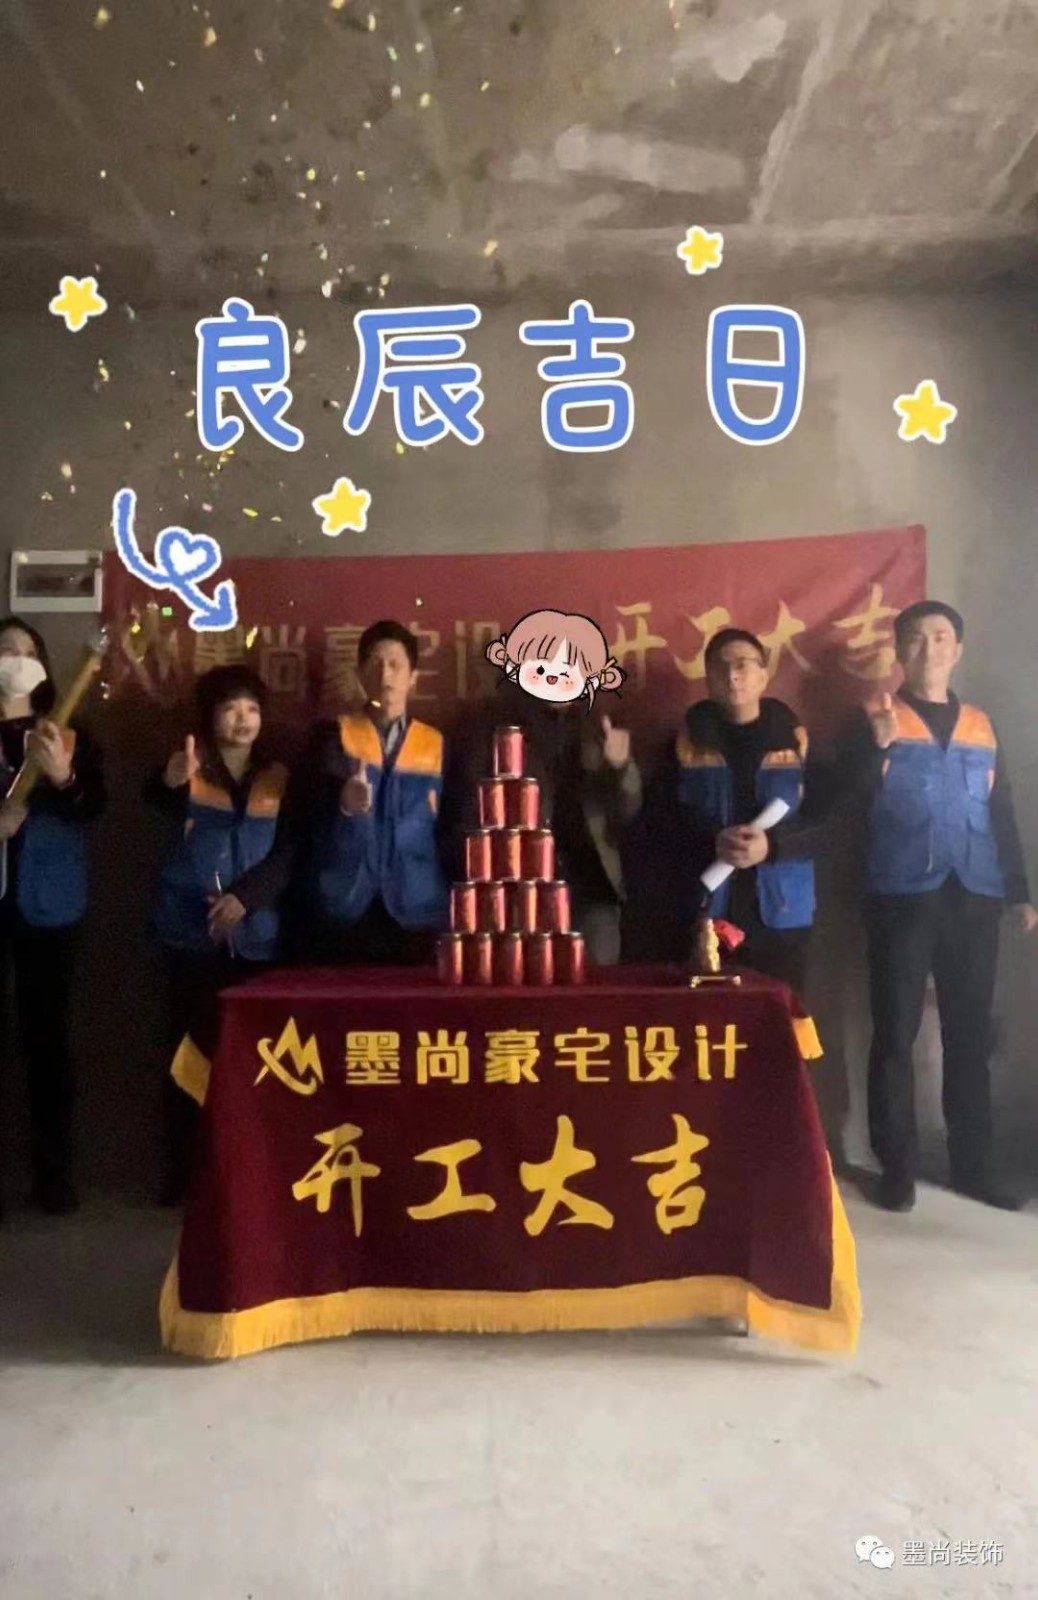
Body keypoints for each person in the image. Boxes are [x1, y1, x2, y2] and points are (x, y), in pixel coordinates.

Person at [841, 601, 1036, 1213]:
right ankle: (896, 1170)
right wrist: (874, 749)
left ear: (958, 650)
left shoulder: (980, 724)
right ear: (899, 652)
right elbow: (844, 805)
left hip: (974, 893)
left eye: (942, 637)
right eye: (917, 639)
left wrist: (1019, 890)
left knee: (970, 1034)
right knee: (895, 1034)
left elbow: (1000, 808)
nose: (930, 648)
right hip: (901, 894)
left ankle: (974, 1166)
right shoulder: (875, 718)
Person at [146, 665, 292, 1203]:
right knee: (190, 1057)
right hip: (192, 932)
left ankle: (254, 1177)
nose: (243, 719)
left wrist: (246, 899)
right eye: (231, 709)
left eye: (252, 709)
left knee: (259, 1063)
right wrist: (171, 781)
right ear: (210, 716)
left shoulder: (279, 775)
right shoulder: (188, 766)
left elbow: (287, 853)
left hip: (257, 936)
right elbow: (155, 799)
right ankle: (185, 1177)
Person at [448, 610, 641, 964]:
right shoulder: (494, 726)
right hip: (516, 888)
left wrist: (620, 769)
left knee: (595, 988)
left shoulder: (600, 726)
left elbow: (628, 812)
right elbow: (471, 810)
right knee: (518, 986)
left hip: (590, 887)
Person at [0, 616, 104, 1216]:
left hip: (48, 903)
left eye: (27, 650)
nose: (16, 658)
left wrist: (64, 778)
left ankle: (54, 1176)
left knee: (47, 1041)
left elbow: (93, 808)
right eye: (5, 650)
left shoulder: (67, 730)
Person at [290, 619, 449, 964]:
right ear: (360, 674)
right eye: (375, 664)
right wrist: (343, 802)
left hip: (416, 905)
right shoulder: (332, 737)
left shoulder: (436, 744)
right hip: (347, 901)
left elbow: (449, 828)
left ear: (413, 677)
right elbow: (304, 818)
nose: (385, 675)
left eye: (395, 665)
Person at [672, 628, 823, 993]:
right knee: (713, 1018)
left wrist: (773, 845)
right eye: (720, 668)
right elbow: (666, 821)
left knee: (781, 1014)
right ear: (708, 680)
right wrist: (714, 839)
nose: (732, 675)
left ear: (763, 675)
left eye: (742, 665)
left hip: (782, 909)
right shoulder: (689, 742)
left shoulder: (795, 741)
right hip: (711, 911)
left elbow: (830, 823)